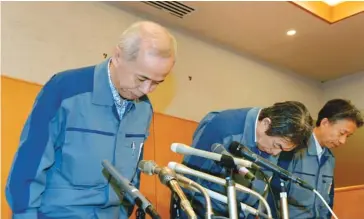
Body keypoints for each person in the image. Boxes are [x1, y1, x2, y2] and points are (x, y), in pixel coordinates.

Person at [5, 21, 177, 219]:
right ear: (118, 56)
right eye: (141, 79)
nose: (146, 90)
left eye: (157, 83)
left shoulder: (143, 109)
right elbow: (29, 163)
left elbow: (131, 178)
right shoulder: (65, 90)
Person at [171, 101, 314, 218]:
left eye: (282, 150)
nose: (276, 153)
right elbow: (187, 180)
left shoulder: (271, 142)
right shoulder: (223, 126)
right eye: (277, 145)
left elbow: (257, 192)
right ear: (266, 123)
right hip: (203, 211)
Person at [269, 99, 363, 219]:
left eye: (347, 136)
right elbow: (272, 194)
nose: (343, 141)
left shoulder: (329, 158)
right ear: (324, 123)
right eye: (341, 133)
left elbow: (327, 201)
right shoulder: (292, 149)